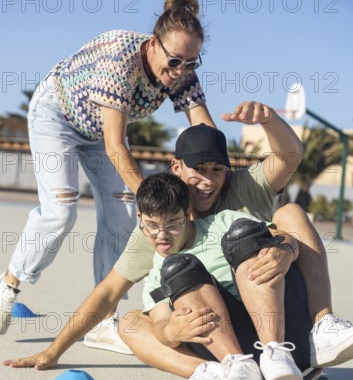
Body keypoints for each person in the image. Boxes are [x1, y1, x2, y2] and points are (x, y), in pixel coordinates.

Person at [3, 107, 307, 366]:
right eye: (198, 169)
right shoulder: (157, 231)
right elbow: (108, 292)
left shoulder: (240, 192)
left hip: (277, 309)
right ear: (176, 168)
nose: (207, 179)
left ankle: (322, 326)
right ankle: (218, 372)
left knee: (288, 214)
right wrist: (55, 350)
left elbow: (290, 156)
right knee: (136, 319)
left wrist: (288, 246)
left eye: (217, 169)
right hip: (220, 329)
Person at [0, 0, 215, 335]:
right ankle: (8, 284)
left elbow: (204, 130)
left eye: (191, 63)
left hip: (101, 133)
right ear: (153, 44)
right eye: (175, 61)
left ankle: (104, 320)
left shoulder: (182, 69)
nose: (180, 72)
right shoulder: (120, 57)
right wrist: (154, 203)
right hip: (59, 116)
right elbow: (116, 145)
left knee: (122, 216)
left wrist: (217, 175)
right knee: (61, 210)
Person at [132, 173, 353, 380]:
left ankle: (305, 335)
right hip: (236, 353)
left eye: (172, 224)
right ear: (140, 217)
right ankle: (234, 370)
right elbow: (160, 323)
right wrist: (172, 331)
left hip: (285, 329)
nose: (161, 235)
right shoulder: (154, 277)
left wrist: (286, 248)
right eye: (151, 226)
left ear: (187, 212)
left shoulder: (221, 222)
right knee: (177, 270)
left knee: (255, 230)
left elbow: (276, 235)